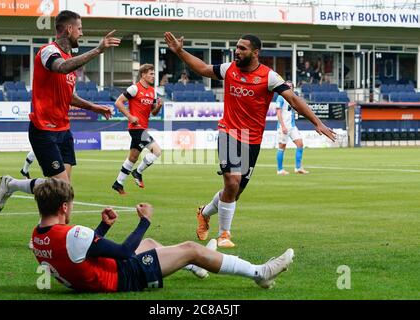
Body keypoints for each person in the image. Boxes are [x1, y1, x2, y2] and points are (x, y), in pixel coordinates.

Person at [164, 32, 336, 248]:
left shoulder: (269, 77)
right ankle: (224, 234)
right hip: (228, 131)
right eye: (237, 47)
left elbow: (292, 98)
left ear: (256, 52)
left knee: (234, 192)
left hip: (252, 140)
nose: (237, 51)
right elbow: (202, 68)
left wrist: (317, 122)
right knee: (232, 181)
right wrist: (179, 51)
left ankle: (205, 213)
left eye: (243, 48)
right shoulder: (229, 69)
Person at [31, 178, 294, 292]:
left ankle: (197, 266)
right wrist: (144, 221)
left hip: (96, 276)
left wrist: (103, 228)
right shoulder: (73, 233)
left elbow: (79, 256)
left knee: (149, 244)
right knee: (190, 246)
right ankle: (260, 273)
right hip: (121, 277)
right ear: (64, 207)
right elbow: (123, 253)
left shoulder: (36, 238)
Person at [0, 10, 121, 212]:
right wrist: (97, 50)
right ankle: (17, 193)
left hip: (63, 130)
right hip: (43, 129)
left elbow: (69, 96)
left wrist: (93, 107)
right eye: (79, 28)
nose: (81, 33)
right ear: (69, 29)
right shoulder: (48, 51)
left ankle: (14, 188)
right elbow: (60, 67)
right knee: (61, 189)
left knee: (64, 191)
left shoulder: (70, 57)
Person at [112, 64, 163, 195]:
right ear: (143, 75)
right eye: (151, 74)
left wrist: (159, 106)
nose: (153, 76)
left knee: (132, 158)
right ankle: (138, 172)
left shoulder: (153, 91)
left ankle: (118, 183)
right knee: (157, 151)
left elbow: (154, 112)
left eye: (153, 73)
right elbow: (118, 102)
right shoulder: (135, 88)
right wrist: (130, 116)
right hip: (136, 128)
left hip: (142, 127)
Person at [275, 81, 309, 175]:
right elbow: (278, 112)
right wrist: (283, 126)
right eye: (287, 86)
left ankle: (298, 168)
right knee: (282, 147)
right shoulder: (280, 97)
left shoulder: (292, 98)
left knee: (300, 144)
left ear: (293, 88)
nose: (289, 88)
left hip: (292, 126)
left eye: (291, 86)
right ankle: (280, 170)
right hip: (284, 127)